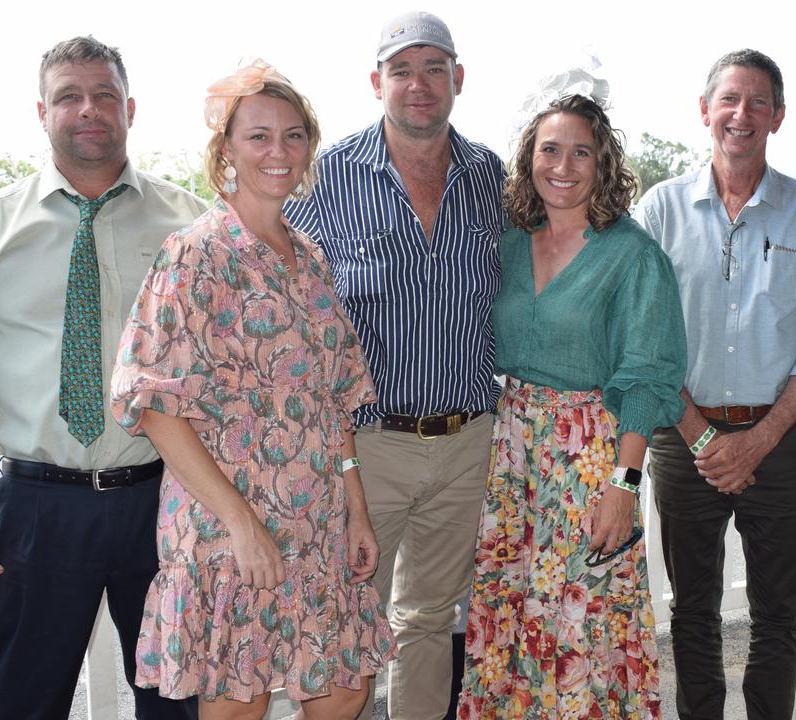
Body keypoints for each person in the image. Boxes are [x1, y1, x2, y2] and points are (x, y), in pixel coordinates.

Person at [0, 36, 205, 719]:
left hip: (163, 503)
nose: (88, 110)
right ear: (41, 112)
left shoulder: (189, 224)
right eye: (69, 96)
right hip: (39, 511)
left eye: (104, 95)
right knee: (22, 700)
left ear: (130, 108)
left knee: (177, 702)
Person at [108, 61, 395, 720]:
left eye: (293, 136)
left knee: (345, 686)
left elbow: (332, 399)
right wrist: (242, 525)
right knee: (241, 698)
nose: (278, 152)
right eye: (259, 136)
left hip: (316, 521)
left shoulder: (311, 258)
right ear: (227, 149)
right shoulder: (194, 256)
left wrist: (355, 505)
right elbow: (153, 405)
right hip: (231, 527)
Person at [285, 11, 506, 719]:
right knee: (346, 620)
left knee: (430, 622)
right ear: (377, 81)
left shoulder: (490, 176)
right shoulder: (326, 178)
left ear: (458, 80)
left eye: (434, 69)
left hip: (468, 439)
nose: (419, 85)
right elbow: (288, 304)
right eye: (403, 70)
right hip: (368, 447)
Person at [634, 48, 796, 720]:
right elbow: (644, 338)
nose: (742, 114)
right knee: (691, 611)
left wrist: (758, 441)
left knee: (777, 611)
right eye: (729, 99)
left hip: (780, 441)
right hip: (679, 433)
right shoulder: (660, 209)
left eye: (759, 102)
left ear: (778, 116)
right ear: (705, 111)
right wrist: (701, 437)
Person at [457, 91, 684, 719]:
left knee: (581, 624)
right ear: (529, 157)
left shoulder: (632, 253)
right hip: (512, 453)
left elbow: (647, 380)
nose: (562, 165)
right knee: (510, 612)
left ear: (603, 163)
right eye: (549, 149)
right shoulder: (509, 239)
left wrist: (622, 485)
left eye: (580, 152)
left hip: (590, 457)